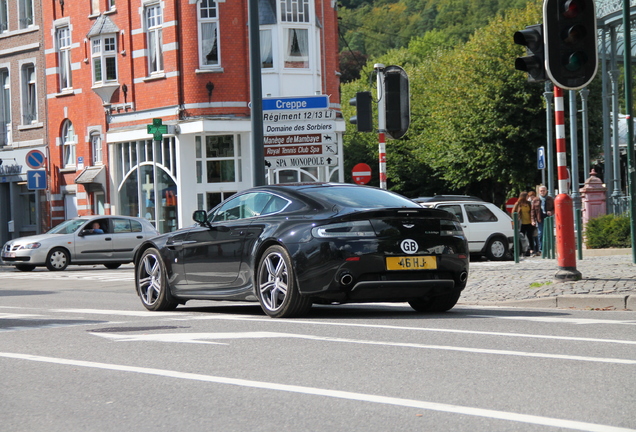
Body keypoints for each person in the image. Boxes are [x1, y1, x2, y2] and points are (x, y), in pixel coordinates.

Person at [531, 185, 555, 255]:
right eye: (541, 191)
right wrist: (533, 220)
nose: (542, 192)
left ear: (546, 191)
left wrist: (551, 212)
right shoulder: (535, 200)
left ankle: (549, 248)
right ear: (539, 192)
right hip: (540, 219)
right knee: (540, 234)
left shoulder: (550, 199)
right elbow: (532, 211)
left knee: (548, 234)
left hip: (548, 219)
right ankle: (541, 249)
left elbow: (555, 208)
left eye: (544, 191)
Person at [512, 191, 534, 256]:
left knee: (530, 236)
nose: (528, 197)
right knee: (521, 236)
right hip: (521, 223)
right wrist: (516, 219)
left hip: (529, 222)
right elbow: (513, 212)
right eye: (527, 196)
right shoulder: (518, 204)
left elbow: (531, 212)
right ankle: (521, 250)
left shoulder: (529, 203)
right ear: (523, 197)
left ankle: (531, 250)